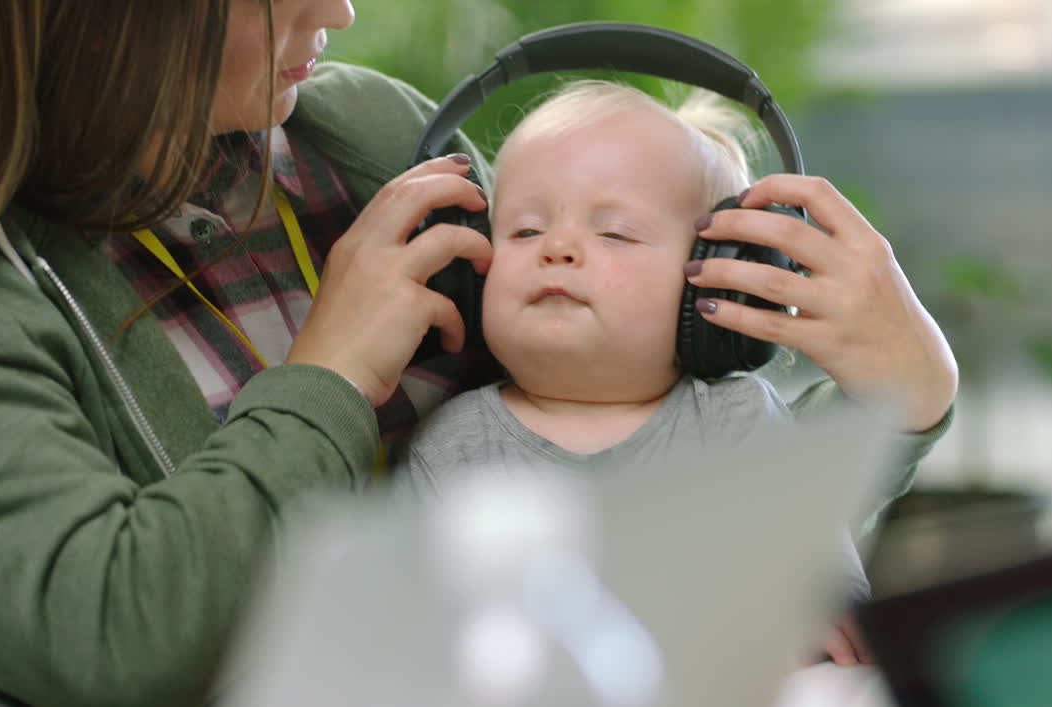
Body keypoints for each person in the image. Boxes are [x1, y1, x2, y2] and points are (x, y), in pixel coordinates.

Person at [0, 2, 953, 707]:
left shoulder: (368, 138)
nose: (340, 13)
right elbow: (119, 645)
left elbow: (625, 414)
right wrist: (326, 377)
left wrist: (897, 403)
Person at [386, 80, 957, 667]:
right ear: (470, 276)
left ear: (713, 283)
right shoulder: (450, 447)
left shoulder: (738, 423)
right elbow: (414, 639)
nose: (556, 246)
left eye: (615, 233)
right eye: (525, 231)